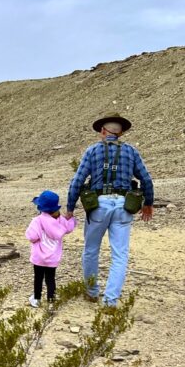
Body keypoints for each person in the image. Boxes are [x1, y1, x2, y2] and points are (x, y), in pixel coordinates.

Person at [65, 113, 154, 306]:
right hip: (123, 205)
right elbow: (146, 179)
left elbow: (77, 181)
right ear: (120, 132)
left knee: (90, 250)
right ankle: (110, 301)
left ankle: (91, 291)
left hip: (98, 206)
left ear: (103, 131)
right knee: (120, 255)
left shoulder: (92, 151)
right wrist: (148, 203)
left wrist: (70, 208)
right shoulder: (131, 151)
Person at [25, 190, 77, 307]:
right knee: (50, 279)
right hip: (53, 257)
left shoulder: (37, 221)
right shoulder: (59, 220)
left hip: (38, 257)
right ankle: (51, 301)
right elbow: (69, 228)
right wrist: (71, 219)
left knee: (38, 278)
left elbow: (32, 237)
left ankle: (37, 299)